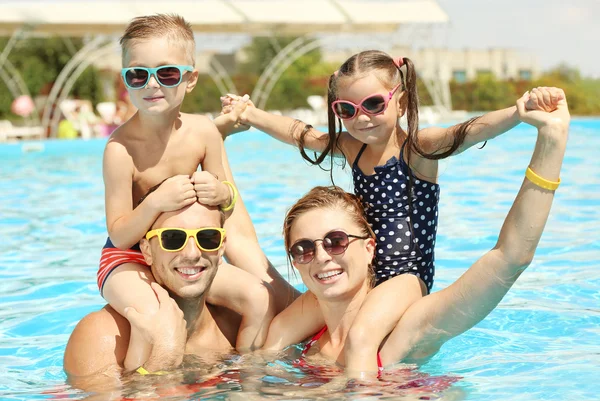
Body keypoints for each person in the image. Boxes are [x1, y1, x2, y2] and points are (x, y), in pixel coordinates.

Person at [220, 50, 557, 373]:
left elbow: (465, 133)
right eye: (347, 110)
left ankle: (363, 390)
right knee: (278, 331)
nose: (362, 118)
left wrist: (518, 112)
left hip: (406, 277)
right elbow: (302, 135)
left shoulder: (417, 149)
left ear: (401, 101)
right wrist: (250, 114)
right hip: (364, 273)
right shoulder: (352, 147)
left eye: (373, 104)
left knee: (362, 337)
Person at [99, 14, 295, 374]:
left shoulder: (203, 132)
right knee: (154, 318)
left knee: (259, 297)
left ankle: (245, 375)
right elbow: (120, 233)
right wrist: (155, 203)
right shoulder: (119, 150)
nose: (151, 84)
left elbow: (228, 202)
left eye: (167, 74)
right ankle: (138, 387)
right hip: (127, 259)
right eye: (137, 74)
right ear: (125, 79)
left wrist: (220, 190)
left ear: (190, 80)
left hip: (185, 250)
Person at [64, 201, 257, 388]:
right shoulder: (103, 336)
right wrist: (164, 358)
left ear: (221, 248)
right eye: (172, 238)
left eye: (207, 237)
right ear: (146, 250)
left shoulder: (237, 327)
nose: (192, 253)